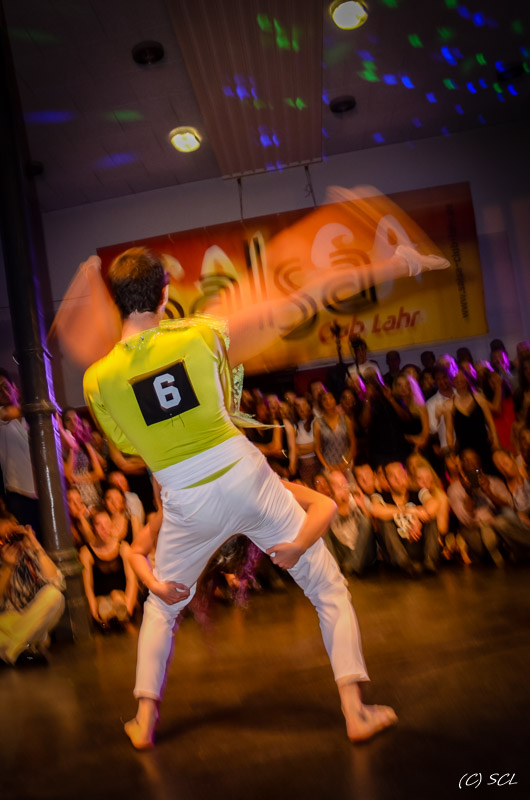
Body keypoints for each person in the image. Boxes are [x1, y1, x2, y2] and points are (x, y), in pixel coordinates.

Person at [83, 247, 452, 747]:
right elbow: (290, 303)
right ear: (165, 292)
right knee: (328, 588)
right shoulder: (200, 334)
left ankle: (144, 722)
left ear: (116, 301)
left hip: (184, 496)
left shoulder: (97, 380)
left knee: (161, 608)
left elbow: (127, 451)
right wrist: (393, 263)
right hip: (243, 474)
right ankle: (355, 712)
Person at [0, 517, 65, 665]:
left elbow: (56, 581)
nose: (9, 542)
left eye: (12, 536)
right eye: (3, 539)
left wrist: (35, 546)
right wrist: (7, 567)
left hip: (32, 619)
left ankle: (12, 650)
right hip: (6, 623)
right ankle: (22, 648)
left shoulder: (30, 554)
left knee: (55, 595)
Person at [79, 506, 138, 628]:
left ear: (111, 525)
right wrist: (94, 614)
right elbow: (88, 587)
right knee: (104, 604)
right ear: (93, 528)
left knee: (116, 596)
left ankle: (120, 616)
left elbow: (132, 580)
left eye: (106, 523)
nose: (104, 528)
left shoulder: (124, 547)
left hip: (123, 598)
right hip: (101, 600)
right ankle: (109, 617)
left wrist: (128, 609)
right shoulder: (86, 552)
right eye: (99, 525)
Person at [0, 369, 40, 537]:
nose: (2, 392)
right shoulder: (1, 416)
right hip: (19, 494)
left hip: (43, 489)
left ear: (14, 387)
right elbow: (11, 412)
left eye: (4, 386)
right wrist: (37, 406)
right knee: (27, 544)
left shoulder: (32, 417)